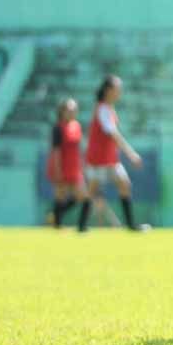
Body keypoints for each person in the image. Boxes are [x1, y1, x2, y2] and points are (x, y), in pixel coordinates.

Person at [81, 75, 145, 233]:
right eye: (118, 89)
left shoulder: (108, 108)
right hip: (99, 159)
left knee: (124, 184)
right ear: (108, 90)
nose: (120, 92)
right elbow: (113, 134)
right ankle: (81, 225)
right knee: (92, 189)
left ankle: (130, 225)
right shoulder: (102, 108)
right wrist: (131, 153)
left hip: (110, 159)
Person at [45, 98, 90, 228]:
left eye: (75, 110)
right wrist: (58, 170)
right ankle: (57, 225)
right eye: (69, 110)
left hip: (74, 168)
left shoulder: (76, 126)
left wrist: (82, 166)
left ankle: (81, 226)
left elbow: (78, 149)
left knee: (84, 197)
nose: (72, 113)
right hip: (61, 167)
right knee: (60, 196)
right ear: (62, 112)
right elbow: (56, 151)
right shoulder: (58, 128)